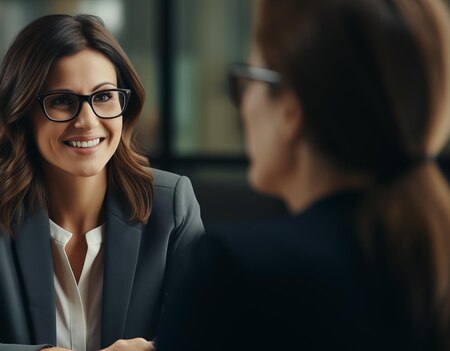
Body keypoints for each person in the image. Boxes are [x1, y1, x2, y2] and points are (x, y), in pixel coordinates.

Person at [157, 0, 450, 350]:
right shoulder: (424, 262)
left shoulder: (236, 273)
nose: (244, 105)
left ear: (291, 108)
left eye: (246, 80)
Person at [0, 14, 204, 351]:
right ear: (22, 112)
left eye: (104, 97)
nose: (88, 122)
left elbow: (216, 331)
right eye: (62, 101)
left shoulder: (172, 204)